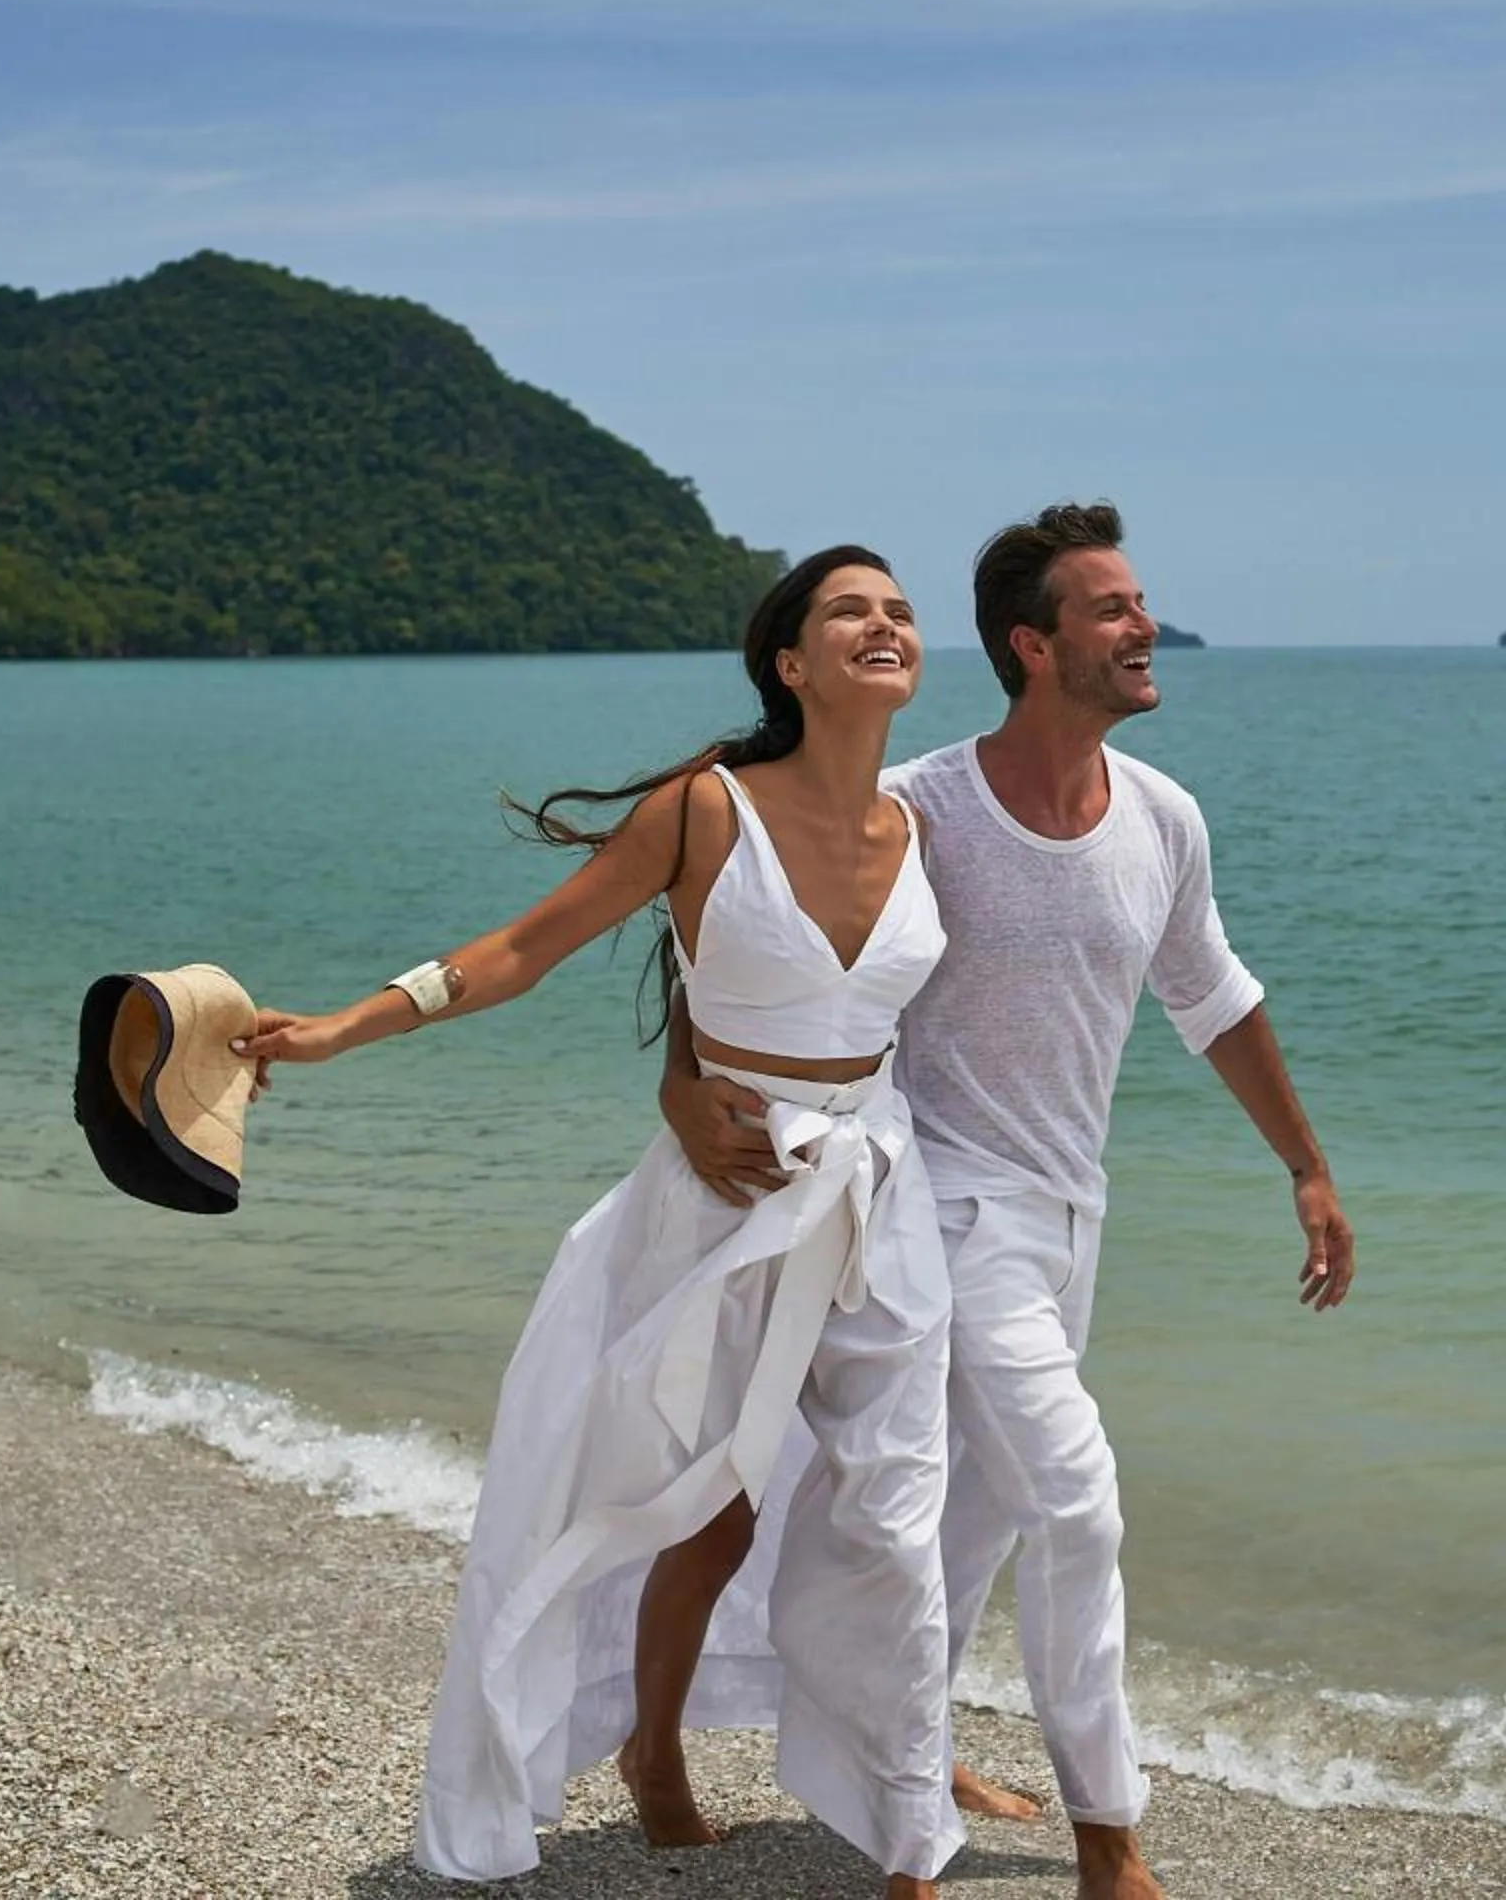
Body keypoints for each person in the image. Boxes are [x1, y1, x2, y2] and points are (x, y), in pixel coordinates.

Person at [234, 546, 966, 1896]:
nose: (887, 624)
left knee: (900, 1505)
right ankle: (651, 1754)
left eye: (903, 611)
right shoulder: (704, 810)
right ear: (790, 665)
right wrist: (345, 1027)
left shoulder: (928, 824)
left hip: (879, 1193)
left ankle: (910, 1830)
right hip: (722, 1201)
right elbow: (526, 947)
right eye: (850, 609)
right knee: (701, 1509)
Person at [661, 503, 1354, 1900]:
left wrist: (1308, 1167)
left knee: (973, 1521)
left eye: (1139, 601)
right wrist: (687, 1077)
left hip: (1066, 1215)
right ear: (1034, 648)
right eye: (1112, 609)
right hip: (941, 1202)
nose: (1144, 625)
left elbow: (1211, 996)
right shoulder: (921, 807)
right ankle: (1110, 1830)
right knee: (1076, 1499)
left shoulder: (1163, 817)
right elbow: (749, 931)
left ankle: (904, 1759)